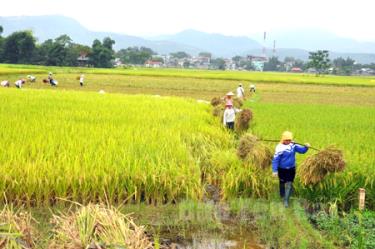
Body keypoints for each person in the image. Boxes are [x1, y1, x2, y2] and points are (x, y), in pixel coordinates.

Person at [272, 131, 310, 207]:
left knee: (289, 183)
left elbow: (302, 151)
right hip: (282, 169)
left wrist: (306, 147)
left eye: (289, 140)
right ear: (283, 139)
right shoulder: (279, 147)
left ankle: (286, 200)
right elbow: (275, 160)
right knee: (282, 183)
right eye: (286, 140)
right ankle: (282, 195)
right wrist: (274, 171)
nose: (288, 141)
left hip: (291, 168)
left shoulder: (293, 145)